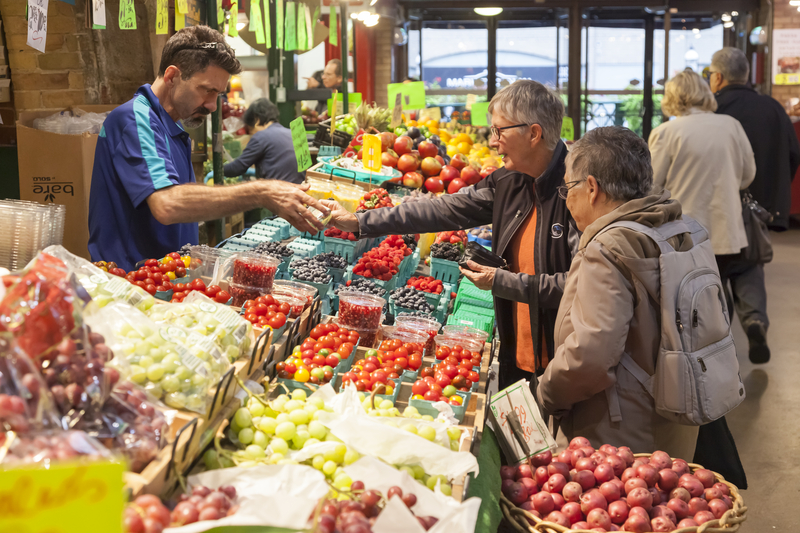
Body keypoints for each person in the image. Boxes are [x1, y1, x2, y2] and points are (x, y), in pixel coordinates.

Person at [322, 80, 578, 389]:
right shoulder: (509, 181)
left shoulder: (578, 191)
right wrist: (360, 221)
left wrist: (504, 282)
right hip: (515, 355)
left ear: (534, 133)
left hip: (563, 366)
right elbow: (443, 210)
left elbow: (581, 285)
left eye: (500, 131)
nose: (494, 142)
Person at [88, 26, 327, 271]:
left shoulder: (170, 126)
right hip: (132, 279)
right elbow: (167, 204)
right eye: (207, 90)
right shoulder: (135, 120)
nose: (213, 106)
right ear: (172, 76)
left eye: (219, 94)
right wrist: (261, 192)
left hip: (164, 276)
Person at [536, 126, 699, 459]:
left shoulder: (607, 248)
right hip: (673, 410)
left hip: (615, 430)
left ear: (592, 188)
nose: (567, 201)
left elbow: (590, 357)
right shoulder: (675, 227)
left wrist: (546, 392)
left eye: (568, 189)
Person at [709, 47, 800, 363]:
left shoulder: (713, 110)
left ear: (718, 77)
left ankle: (719, 336)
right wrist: (772, 199)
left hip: (716, 209)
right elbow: (792, 154)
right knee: (750, 264)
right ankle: (755, 320)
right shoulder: (772, 108)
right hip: (757, 209)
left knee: (715, 272)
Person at [649, 68, 756, 311]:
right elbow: (747, 176)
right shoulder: (731, 125)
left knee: (693, 301)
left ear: (672, 97)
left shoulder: (666, 132)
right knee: (720, 289)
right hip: (727, 230)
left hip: (683, 232)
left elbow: (651, 184)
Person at [223, 98, 305, 184]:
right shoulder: (295, 135)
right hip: (301, 191)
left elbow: (237, 168)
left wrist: (217, 170)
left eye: (251, 129)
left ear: (256, 119)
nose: (252, 134)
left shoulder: (261, 136)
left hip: (279, 193)